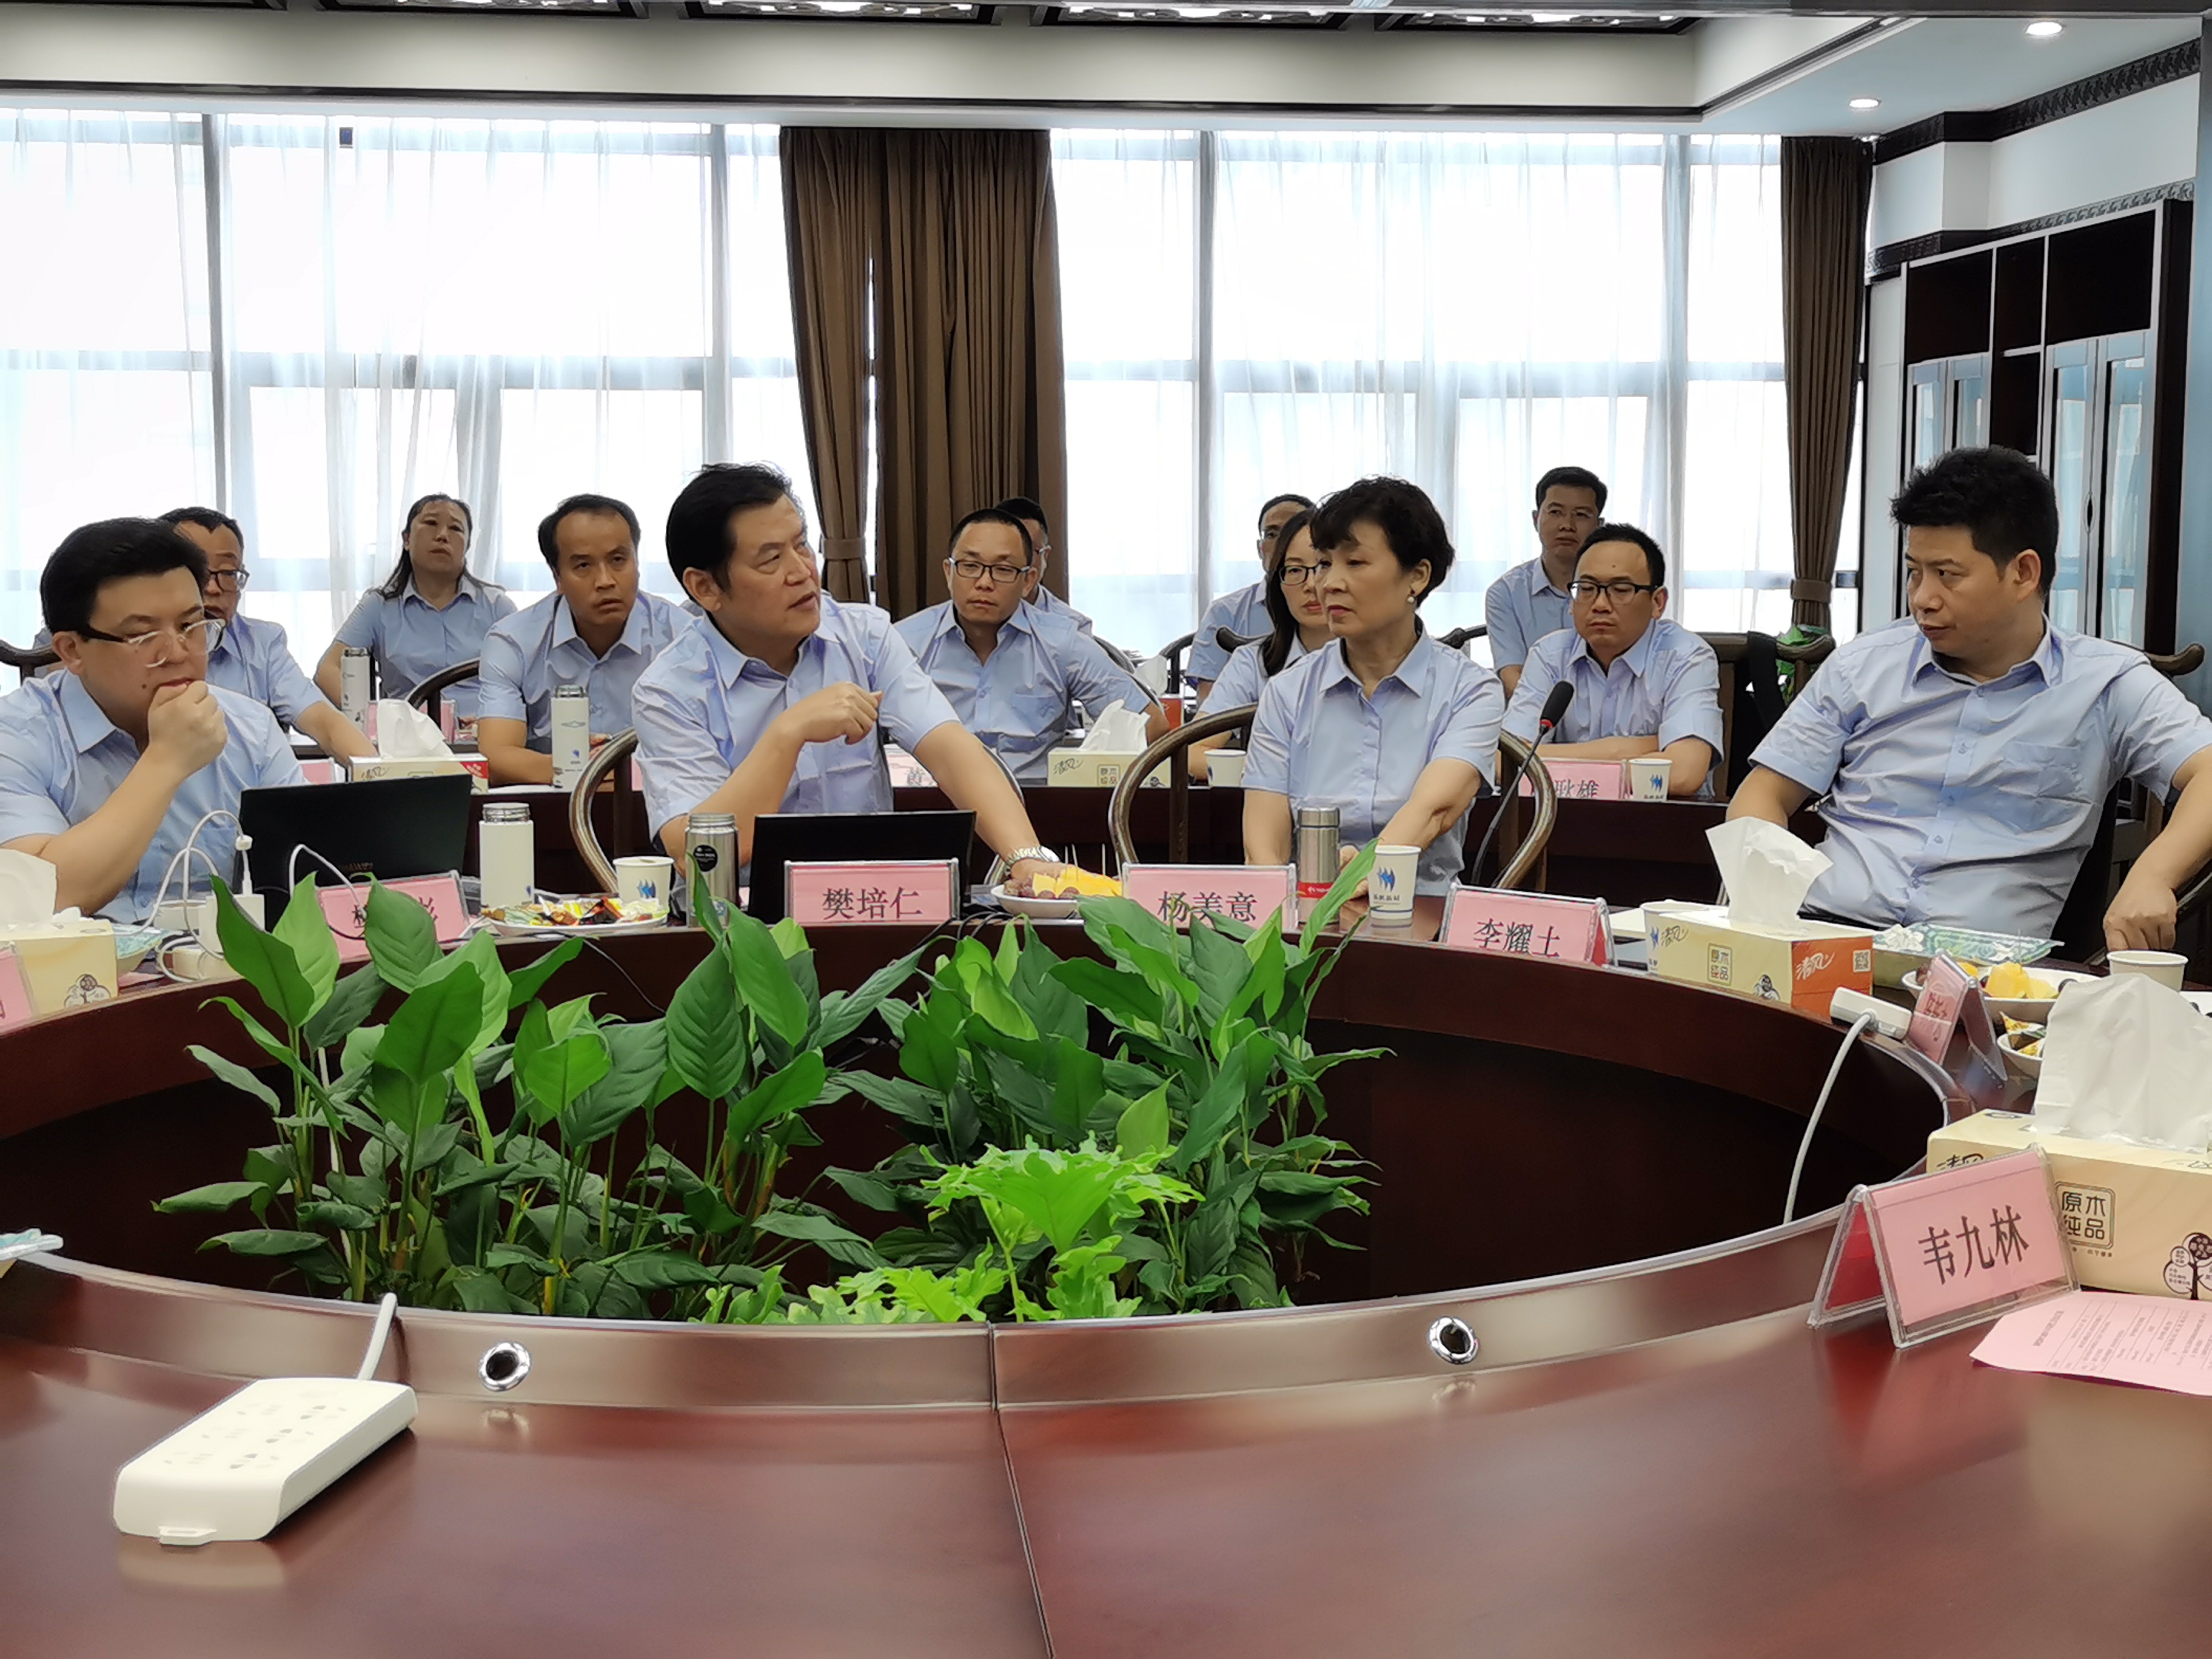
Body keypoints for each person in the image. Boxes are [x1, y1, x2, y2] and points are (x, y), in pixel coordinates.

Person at [1730, 446, 2212, 949]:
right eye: (1914, 571)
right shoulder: (1863, 666)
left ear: (2024, 573)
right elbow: (1762, 795)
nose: (1922, 598)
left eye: (1947, 574)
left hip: (1982, 967)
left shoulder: (2106, 684)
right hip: (1826, 936)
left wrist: (2154, 875)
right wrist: (1768, 909)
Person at [629, 463, 1065, 886]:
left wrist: (1027, 858)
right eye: (771, 560)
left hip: (871, 903)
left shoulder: (864, 637)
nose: (802, 571)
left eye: (801, 545)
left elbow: (949, 747)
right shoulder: (669, 690)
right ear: (706, 588)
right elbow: (698, 854)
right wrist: (787, 734)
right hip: (738, 923)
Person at [0, 518, 305, 920]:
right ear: (72, 650)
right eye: (143, 636)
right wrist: (166, 761)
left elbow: (309, 877)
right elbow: (40, 901)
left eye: (190, 625)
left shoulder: (251, 728)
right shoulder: (16, 736)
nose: (178, 653)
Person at [1244, 478, 1503, 896]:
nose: (1328, 583)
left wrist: (1357, 877)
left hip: (1420, 908)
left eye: (1355, 563)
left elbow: (1434, 811)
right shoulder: (1288, 691)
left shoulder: (1470, 690)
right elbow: (1263, 849)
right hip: (1305, 909)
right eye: (1325, 563)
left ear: (1417, 576)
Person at [896, 508, 1167, 783]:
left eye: (1003, 570)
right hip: (932, 798)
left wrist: (1085, 769)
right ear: (949, 572)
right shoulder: (906, 642)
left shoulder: (1061, 642)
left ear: (1028, 581)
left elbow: (1151, 725)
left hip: (1033, 799)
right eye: (970, 566)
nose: (984, 583)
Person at [475, 494, 685, 786]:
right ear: (558, 577)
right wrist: (591, 773)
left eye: (618, 560)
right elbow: (496, 756)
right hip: (552, 799)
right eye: (584, 566)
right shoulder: (513, 641)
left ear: (637, 564)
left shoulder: (682, 636)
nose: (606, 581)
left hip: (657, 801)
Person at [1501, 523, 1722, 799]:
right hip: (1562, 818)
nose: (1600, 605)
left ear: (1658, 602)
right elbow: (1505, 762)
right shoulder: (1549, 656)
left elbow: (1684, 774)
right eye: (1587, 588)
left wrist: (1548, 759)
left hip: (1662, 818)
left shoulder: (1686, 656)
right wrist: (1630, 749)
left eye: (1621, 589)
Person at [315, 494, 515, 723]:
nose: (442, 535)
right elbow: (327, 670)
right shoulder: (379, 606)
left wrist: (499, 722)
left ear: (466, 548)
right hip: (407, 735)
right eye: (431, 523)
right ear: (407, 540)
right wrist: (375, 719)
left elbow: (527, 679)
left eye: (456, 529)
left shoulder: (497, 607)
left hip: (486, 733)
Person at [1187, 509, 1329, 779]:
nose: (1311, 584)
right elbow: (1193, 751)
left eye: (1324, 566)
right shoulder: (1254, 662)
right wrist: (1275, 776)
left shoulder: (1382, 659)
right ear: (1278, 583)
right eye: (1295, 570)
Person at [1486, 466, 1606, 697]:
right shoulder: (1505, 593)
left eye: (1581, 515)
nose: (1567, 525)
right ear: (1536, 519)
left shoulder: (1618, 590)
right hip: (1534, 715)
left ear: (1599, 526)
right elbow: (1512, 677)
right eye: (1556, 512)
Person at [1186, 492, 1315, 695]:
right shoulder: (1225, 612)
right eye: (1272, 534)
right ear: (1260, 548)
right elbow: (1209, 697)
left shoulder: (1339, 606)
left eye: (1295, 531)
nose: (1283, 542)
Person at [994, 494, 1092, 632]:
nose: (1017, 560)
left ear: (1045, 556)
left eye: (1029, 549)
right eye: (1006, 549)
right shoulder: (968, 615)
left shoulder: (1073, 626)